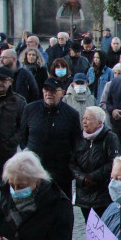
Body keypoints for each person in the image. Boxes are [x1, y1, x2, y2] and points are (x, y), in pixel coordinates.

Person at [20, 77, 82, 208]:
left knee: (61, 206)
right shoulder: (30, 109)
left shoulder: (71, 114)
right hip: (36, 170)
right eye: (46, 90)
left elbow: (76, 142)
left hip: (61, 171)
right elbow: (23, 137)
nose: (49, 93)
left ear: (62, 93)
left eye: (53, 91)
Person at [71, 106, 121, 222]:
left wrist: (93, 177)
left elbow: (113, 163)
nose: (84, 121)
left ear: (99, 122)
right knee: (89, 227)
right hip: (83, 193)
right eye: (83, 118)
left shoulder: (110, 138)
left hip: (102, 193)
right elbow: (71, 162)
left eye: (88, 119)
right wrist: (83, 178)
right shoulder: (79, 137)